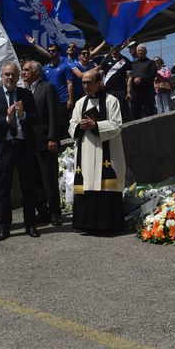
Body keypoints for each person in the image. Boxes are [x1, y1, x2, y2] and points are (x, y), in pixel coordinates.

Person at [0, 62, 40, 241]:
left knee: (28, 187)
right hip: (4, 147)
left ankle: (30, 224)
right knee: (3, 189)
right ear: (2, 76)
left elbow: (36, 118)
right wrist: (7, 119)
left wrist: (23, 115)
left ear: (18, 77)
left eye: (13, 75)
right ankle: (4, 227)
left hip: (23, 146)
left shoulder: (25, 94)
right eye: (7, 74)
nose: (10, 77)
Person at [69, 69, 126, 233]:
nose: (85, 86)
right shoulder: (80, 103)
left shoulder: (111, 101)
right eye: (83, 83)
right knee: (88, 186)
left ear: (99, 83)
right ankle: (86, 225)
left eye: (89, 83)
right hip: (86, 151)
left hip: (106, 152)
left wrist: (96, 125)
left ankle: (108, 226)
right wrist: (79, 126)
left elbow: (117, 125)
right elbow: (71, 124)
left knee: (105, 188)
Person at [21, 60, 62, 226]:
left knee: (48, 179)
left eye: (26, 70)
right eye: (22, 70)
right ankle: (43, 211)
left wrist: (53, 138)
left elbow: (54, 115)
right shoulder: (22, 91)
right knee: (35, 180)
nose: (23, 73)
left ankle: (54, 212)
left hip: (45, 141)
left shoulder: (47, 88)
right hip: (28, 143)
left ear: (36, 72)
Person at [37, 42, 74, 137]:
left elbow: (69, 83)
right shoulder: (44, 69)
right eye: (49, 51)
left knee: (65, 125)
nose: (51, 53)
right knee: (53, 124)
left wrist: (70, 99)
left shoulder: (65, 66)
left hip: (63, 100)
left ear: (58, 52)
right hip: (50, 101)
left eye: (53, 51)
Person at [98, 43, 133, 122]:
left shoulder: (125, 60)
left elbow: (129, 77)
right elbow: (100, 74)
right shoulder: (105, 59)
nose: (114, 49)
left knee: (123, 111)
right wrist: (100, 83)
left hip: (121, 90)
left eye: (116, 47)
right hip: (108, 90)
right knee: (109, 109)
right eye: (112, 47)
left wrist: (129, 92)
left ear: (119, 48)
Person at [129, 44, 157, 119]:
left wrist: (141, 79)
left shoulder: (151, 62)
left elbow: (153, 74)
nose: (140, 52)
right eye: (139, 50)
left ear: (146, 52)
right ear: (136, 52)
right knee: (135, 111)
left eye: (142, 50)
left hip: (147, 91)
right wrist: (134, 79)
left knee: (149, 111)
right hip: (136, 92)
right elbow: (129, 76)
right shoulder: (133, 63)